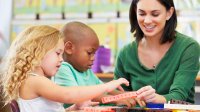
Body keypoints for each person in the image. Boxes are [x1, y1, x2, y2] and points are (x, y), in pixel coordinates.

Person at [0, 25, 129, 112]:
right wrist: (107, 86)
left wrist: (72, 109)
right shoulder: (34, 81)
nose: (61, 59)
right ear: (38, 52)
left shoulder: (36, 80)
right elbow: (68, 94)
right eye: (57, 53)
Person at [114, 0, 200, 104]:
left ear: (169, 13)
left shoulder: (188, 47)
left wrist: (155, 99)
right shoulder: (125, 54)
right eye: (142, 13)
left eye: (155, 14)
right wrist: (121, 100)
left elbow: (179, 95)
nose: (147, 21)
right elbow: (118, 97)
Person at [53, 21, 138, 109]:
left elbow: (105, 91)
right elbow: (80, 95)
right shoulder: (63, 69)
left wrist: (133, 95)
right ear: (69, 48)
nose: (93, 58)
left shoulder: (87, 71)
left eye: (94, 53)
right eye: (89, 53)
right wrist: (115, 99)